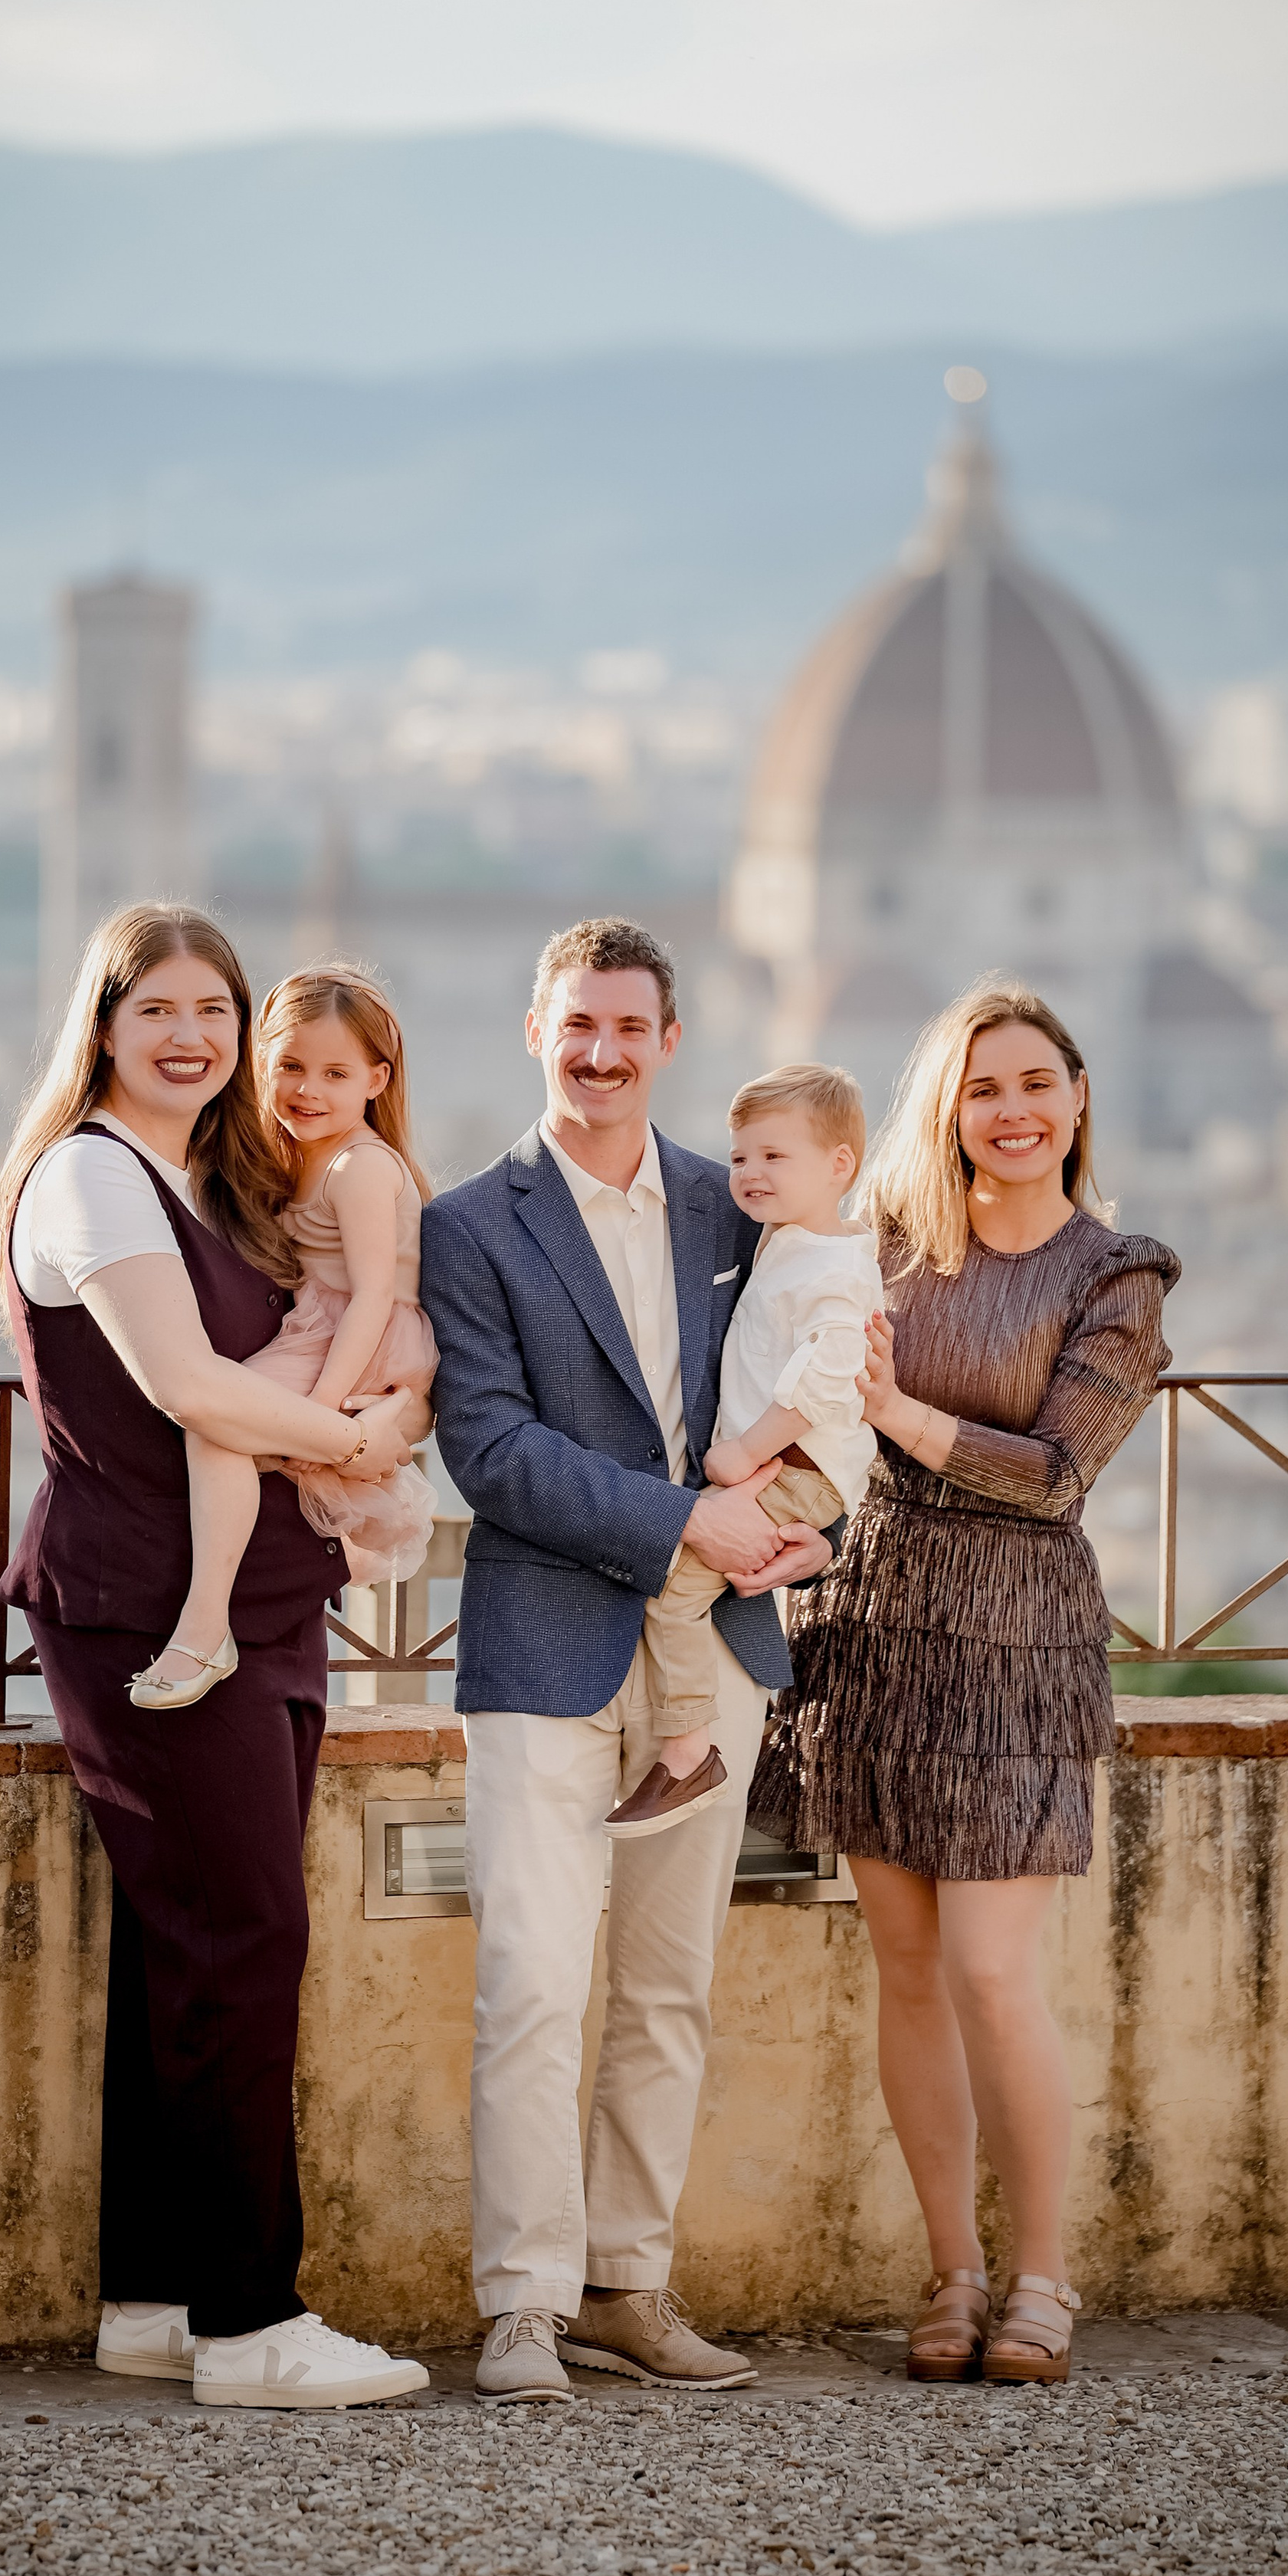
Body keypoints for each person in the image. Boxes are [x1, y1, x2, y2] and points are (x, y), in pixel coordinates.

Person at [0, 901, 430, 2412]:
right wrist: (360, 1436)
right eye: (155, 1008)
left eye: (211, 1009)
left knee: (187, 1950)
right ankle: (251, 2325)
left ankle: (155, 2300)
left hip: (255, 1608)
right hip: (147, 1611)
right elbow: (187, 1389)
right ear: (101, 1025)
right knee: (246, 1943)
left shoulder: (208, 1176)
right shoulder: (92, 1182)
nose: (187, 1035)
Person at [421, 916, 834, 2404]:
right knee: (530, 1982)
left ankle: (626, 2284)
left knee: (668, 1986)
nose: (599, 1053)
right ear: (536, 1030)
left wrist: (800, 1523)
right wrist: (689, 1523)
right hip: (544, 1639)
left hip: (713, 1647)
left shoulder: (745, 1210)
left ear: (669, 1043)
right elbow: (489, 1449)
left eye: (627, 1030)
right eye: (574, 1025)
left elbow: (824, 1380)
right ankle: (521, 2302)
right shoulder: (468, 1224)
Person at [752, 977, 1178, 2386]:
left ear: (1076, 1101)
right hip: (870, 1622)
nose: (1011, 1112)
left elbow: (1056, 1479)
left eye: (1035, 1084)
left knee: (997, 1976)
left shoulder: (1115, 1274)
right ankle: (951, 2274)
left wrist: (896, 1416)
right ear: (947, 1108)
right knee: (913, 1972)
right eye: (982, 1087)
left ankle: (1044, 2276)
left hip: (1015, 1640)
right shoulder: (870, 1249)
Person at [129, 962, 438, 1711]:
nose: (308, 1088)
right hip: (325, 1330)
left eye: (335, 1072)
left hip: (352, 1336)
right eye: (290, 1066)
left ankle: (205, 1628)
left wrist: (326, 1409)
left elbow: (369, 1295)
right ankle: (226, 1618)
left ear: (376, 1079)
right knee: (223, 1436)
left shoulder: (359, 1165)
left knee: (217, 1430)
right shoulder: (304, 1155)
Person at [607, 1062, 886, 1837]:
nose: (750, 1173)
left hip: (792, 1469)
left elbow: (832, 1371)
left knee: (675, 1588)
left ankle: (688, 1752)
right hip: (784, 1466)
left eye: (774, 1156)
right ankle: (685, 1744)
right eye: (739, 1157)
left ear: (839, 1166)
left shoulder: (835, 1264)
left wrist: (745, 1451)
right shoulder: (788, 1245)